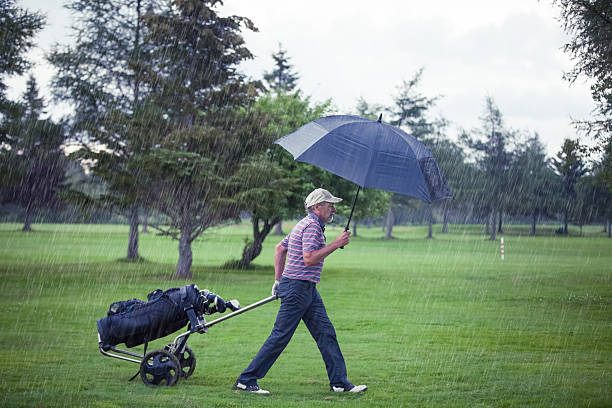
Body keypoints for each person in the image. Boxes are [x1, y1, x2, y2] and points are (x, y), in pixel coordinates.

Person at [233, 188, 367, 395]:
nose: (333, 208)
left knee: (326, 333)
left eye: (333, 204)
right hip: (298, 288)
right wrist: (336, 243)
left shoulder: (304, 224)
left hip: (304, 288)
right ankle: (246, 380)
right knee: (280, 336)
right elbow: (309, 258)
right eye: (329, 204)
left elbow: (280, 248)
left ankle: (339, 383)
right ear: (316, 207)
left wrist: (278, 281)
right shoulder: (312, 226)